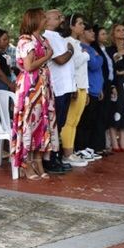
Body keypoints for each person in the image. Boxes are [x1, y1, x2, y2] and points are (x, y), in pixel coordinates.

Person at [11, 8, 58, 180]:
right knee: (30, 122)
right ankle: (26, 162)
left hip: (43, 85)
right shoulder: (26, 40)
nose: (46, 20)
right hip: (30, 86)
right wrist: (48, 57)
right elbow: (29, 66)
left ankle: (38, 160)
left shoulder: (43, 39)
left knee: (41, 122)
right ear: (35, 20)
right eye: (43, 17)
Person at [42, 9, 75, 173]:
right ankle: (50, 159)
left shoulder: (60, 37)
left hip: (66, 87)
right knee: (54, 125)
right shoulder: (47, 37)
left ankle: (56, 156)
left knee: (60, 124)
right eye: (57, 17)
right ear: (47, 20)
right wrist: (71, 51)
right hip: (57, 88)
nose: (61, 19)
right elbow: (61, 60)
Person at [59, 14, 90, 167]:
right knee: (69, 122)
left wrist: (87, 89)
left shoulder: (78, 43)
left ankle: (70, 151)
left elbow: (83, 70)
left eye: (83, 24)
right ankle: (67, 154)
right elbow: (72, 65)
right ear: (71, 26)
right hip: (75, 86)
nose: (82, 26)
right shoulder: (67, 42)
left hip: (83, 85)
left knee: (75, 121)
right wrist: (85, 55)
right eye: (80, 23)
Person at [75, 23, 104, 158]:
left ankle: (86, 147)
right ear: (82, 33)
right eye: (90, 31)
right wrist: (97, 57)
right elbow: (94, 64)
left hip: (96, 89)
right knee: (83, 122)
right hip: (88, 89)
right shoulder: (81, 47)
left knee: (91, 122)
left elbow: (98, 66)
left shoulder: (91, 49)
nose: (93, 33)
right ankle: (79, 148)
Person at [92, 26, 115, 154]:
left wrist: (112, 85)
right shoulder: (95, 49)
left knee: (105, 115)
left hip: (108, 84)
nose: (105, 36)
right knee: (99, 116)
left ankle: (101, 145)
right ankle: (98, 146)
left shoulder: (105, 50)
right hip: (100, 84)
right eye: (102, 34)